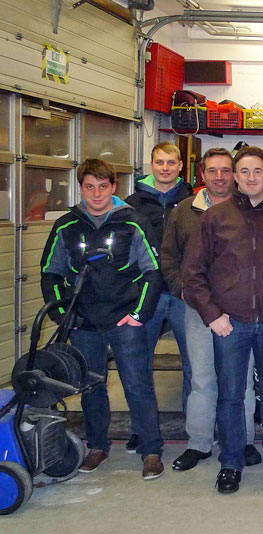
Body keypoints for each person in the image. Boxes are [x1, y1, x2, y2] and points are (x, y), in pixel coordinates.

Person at [184, 146, 263, 494]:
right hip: (230, 324)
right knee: (231, 395)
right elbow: (193, 273)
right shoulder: (214, 218)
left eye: (257, 171)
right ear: (235, 176)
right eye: (244, 171)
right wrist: (212, 315)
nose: (251, 178)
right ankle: (231, 462)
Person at [40, 158, 165, 480]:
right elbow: (50, 272)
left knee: (138, 386)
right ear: (81, 188)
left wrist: (138, 315)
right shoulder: (66, 225)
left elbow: (152, 271)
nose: (97, 193)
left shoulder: (133, 223)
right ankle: (97, 446)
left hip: (125, 321)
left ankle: (151, 450)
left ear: (114, 187)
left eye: (103, 186)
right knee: (91, 387)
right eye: (89, 186)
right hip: (84, 323)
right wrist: (63, 316)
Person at [160, 148, 260, 472]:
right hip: (199, 309)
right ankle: (199, 444)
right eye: (212, 170)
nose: (219, 176)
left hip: (240, 311)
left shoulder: (249, 209)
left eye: (225, 170)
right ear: (202, 174)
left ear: (233, 174)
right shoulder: (184, 212)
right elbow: (169, 257)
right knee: (202, 379)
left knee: (241, 381)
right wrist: (184, 290)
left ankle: (243, 441)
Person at [122, 142, 193, 454]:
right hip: (146, 295)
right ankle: (143, 429)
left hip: (183, 293)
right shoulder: (131, 203)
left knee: (195, 365)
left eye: (171, 162)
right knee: (139, 365)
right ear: (151, 165)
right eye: (160, 162)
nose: (165, 168)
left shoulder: (195, 201)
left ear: (180, 166)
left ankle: (197, 426)